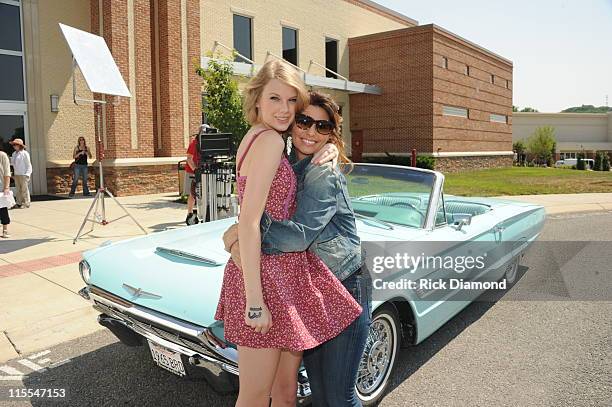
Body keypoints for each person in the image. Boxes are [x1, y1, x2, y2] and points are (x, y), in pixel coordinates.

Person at [214, 60, 361, 407]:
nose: (285, 110)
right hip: (265, 281)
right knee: (254, 396)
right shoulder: (268, 142)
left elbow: (253, 220)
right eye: (275, 99)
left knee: (284, 392)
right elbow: (251, 221)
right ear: (257, 98)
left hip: (285, 279)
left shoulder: (258, 139)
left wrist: (234, 235)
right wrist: (254, 303)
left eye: (292, 101)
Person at [9, 138, 32, 208]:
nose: (14, 146)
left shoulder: (25, 153)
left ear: (19, 145)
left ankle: (26, 203)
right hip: (17, 174)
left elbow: (29, 165)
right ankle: (19, 202)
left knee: (24, 189)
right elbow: (12, 163)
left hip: (23, 174)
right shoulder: (14, 154)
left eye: (15, 144)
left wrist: (28, 174)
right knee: (18, 189)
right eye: (13, 145)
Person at [185, 134, 200, 225]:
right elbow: (189, 158)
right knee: (192, 193)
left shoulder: (206, 143)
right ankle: (189, 213)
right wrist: (195, 169)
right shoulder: (194, 143)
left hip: (202, 170)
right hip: (192, 170)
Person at [0, 150, 11, 238]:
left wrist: (6, 187)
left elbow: (7, 172)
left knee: (3, 209)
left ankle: (5, 230)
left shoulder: (2, 155)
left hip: (1, 187)